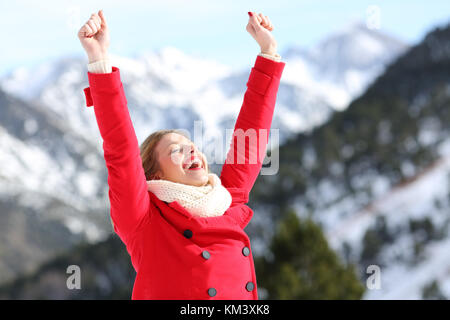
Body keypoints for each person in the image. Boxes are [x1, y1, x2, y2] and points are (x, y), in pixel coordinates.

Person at [78, 9, 285, 300]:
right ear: (155, 175)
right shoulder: (144, 222)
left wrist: (268, 52)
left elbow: (251, 134)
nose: (191, 149)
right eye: (176, 149)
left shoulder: (226, 201)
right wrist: (99, 62)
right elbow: (120, 150)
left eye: (191, 145)